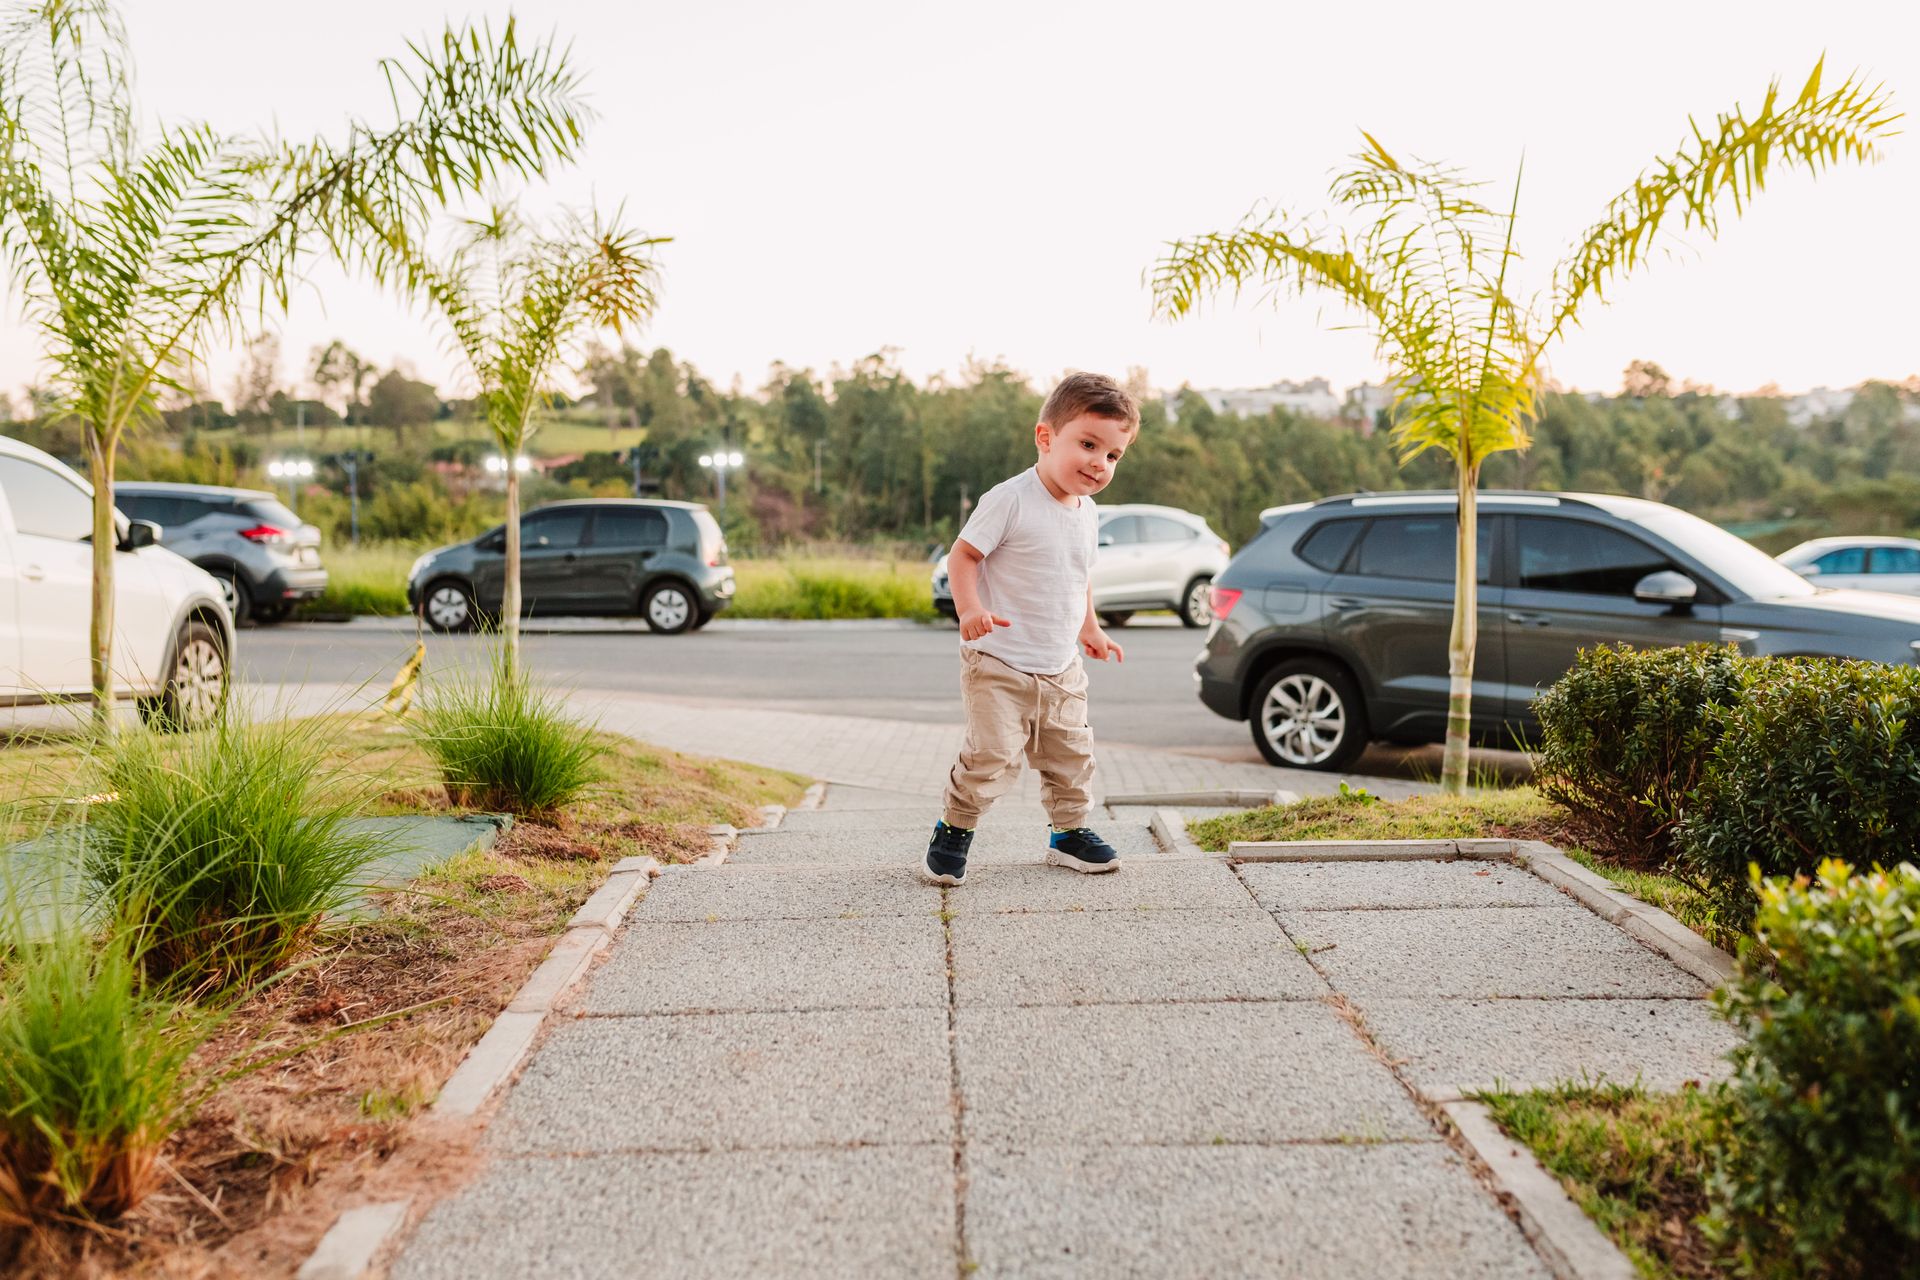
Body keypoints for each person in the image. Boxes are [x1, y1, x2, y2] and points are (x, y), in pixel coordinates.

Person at [923, 371, 1136, 886]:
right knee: (990, 755)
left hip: (1061, 667)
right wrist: (969, 610)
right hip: (999, 661)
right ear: (1045, 437)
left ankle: (1068, 834)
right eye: (1088, 445)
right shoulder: (1011, 499)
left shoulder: (1088, 512)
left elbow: (1078, 576)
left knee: (1072, 756)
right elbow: (963, 556)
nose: (1100, 463)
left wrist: (1091, 629)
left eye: (1113, 455)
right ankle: (955, 828)